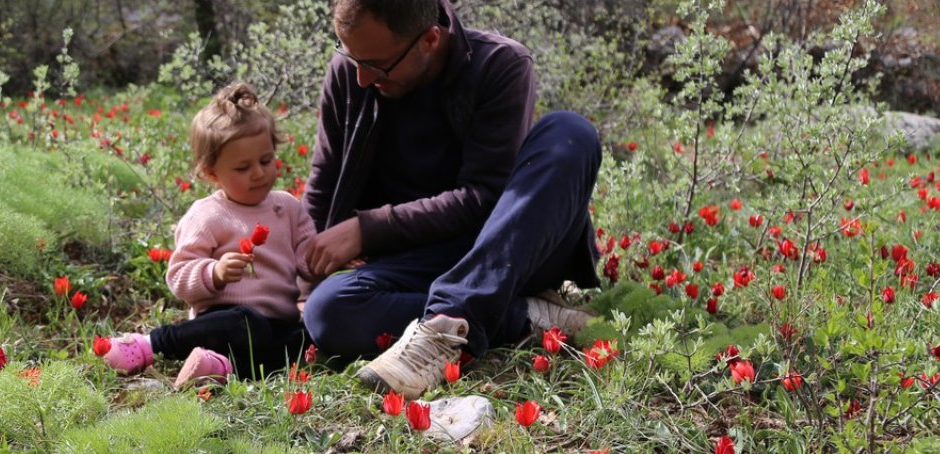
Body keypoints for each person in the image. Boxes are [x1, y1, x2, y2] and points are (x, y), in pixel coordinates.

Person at [301, 0, 603, 400]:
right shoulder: (353, 71)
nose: (359, 77)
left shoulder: (500, 64)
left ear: (429, 39)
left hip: (503, 247)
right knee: (328, 311)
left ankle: (446, 327)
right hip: (412, 260)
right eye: (351, 56)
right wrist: (302, 287)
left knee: (570, 132)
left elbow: (482, 197)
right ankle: (522, 315)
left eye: (377, 64)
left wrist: (366, 229)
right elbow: (324, 178)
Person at [104, 83, 317, 386]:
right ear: (211, 173)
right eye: (243, 167)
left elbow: (308, 260)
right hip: (225, 318)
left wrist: (330, 258)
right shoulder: (208, 214)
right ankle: (151, 344)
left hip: (277, 322)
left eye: (266, 161)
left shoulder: (288, 207)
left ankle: (218, 367)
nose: (258, 173)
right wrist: (213, 272)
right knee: (245, 324)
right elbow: (178, 277)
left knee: (301, 342)